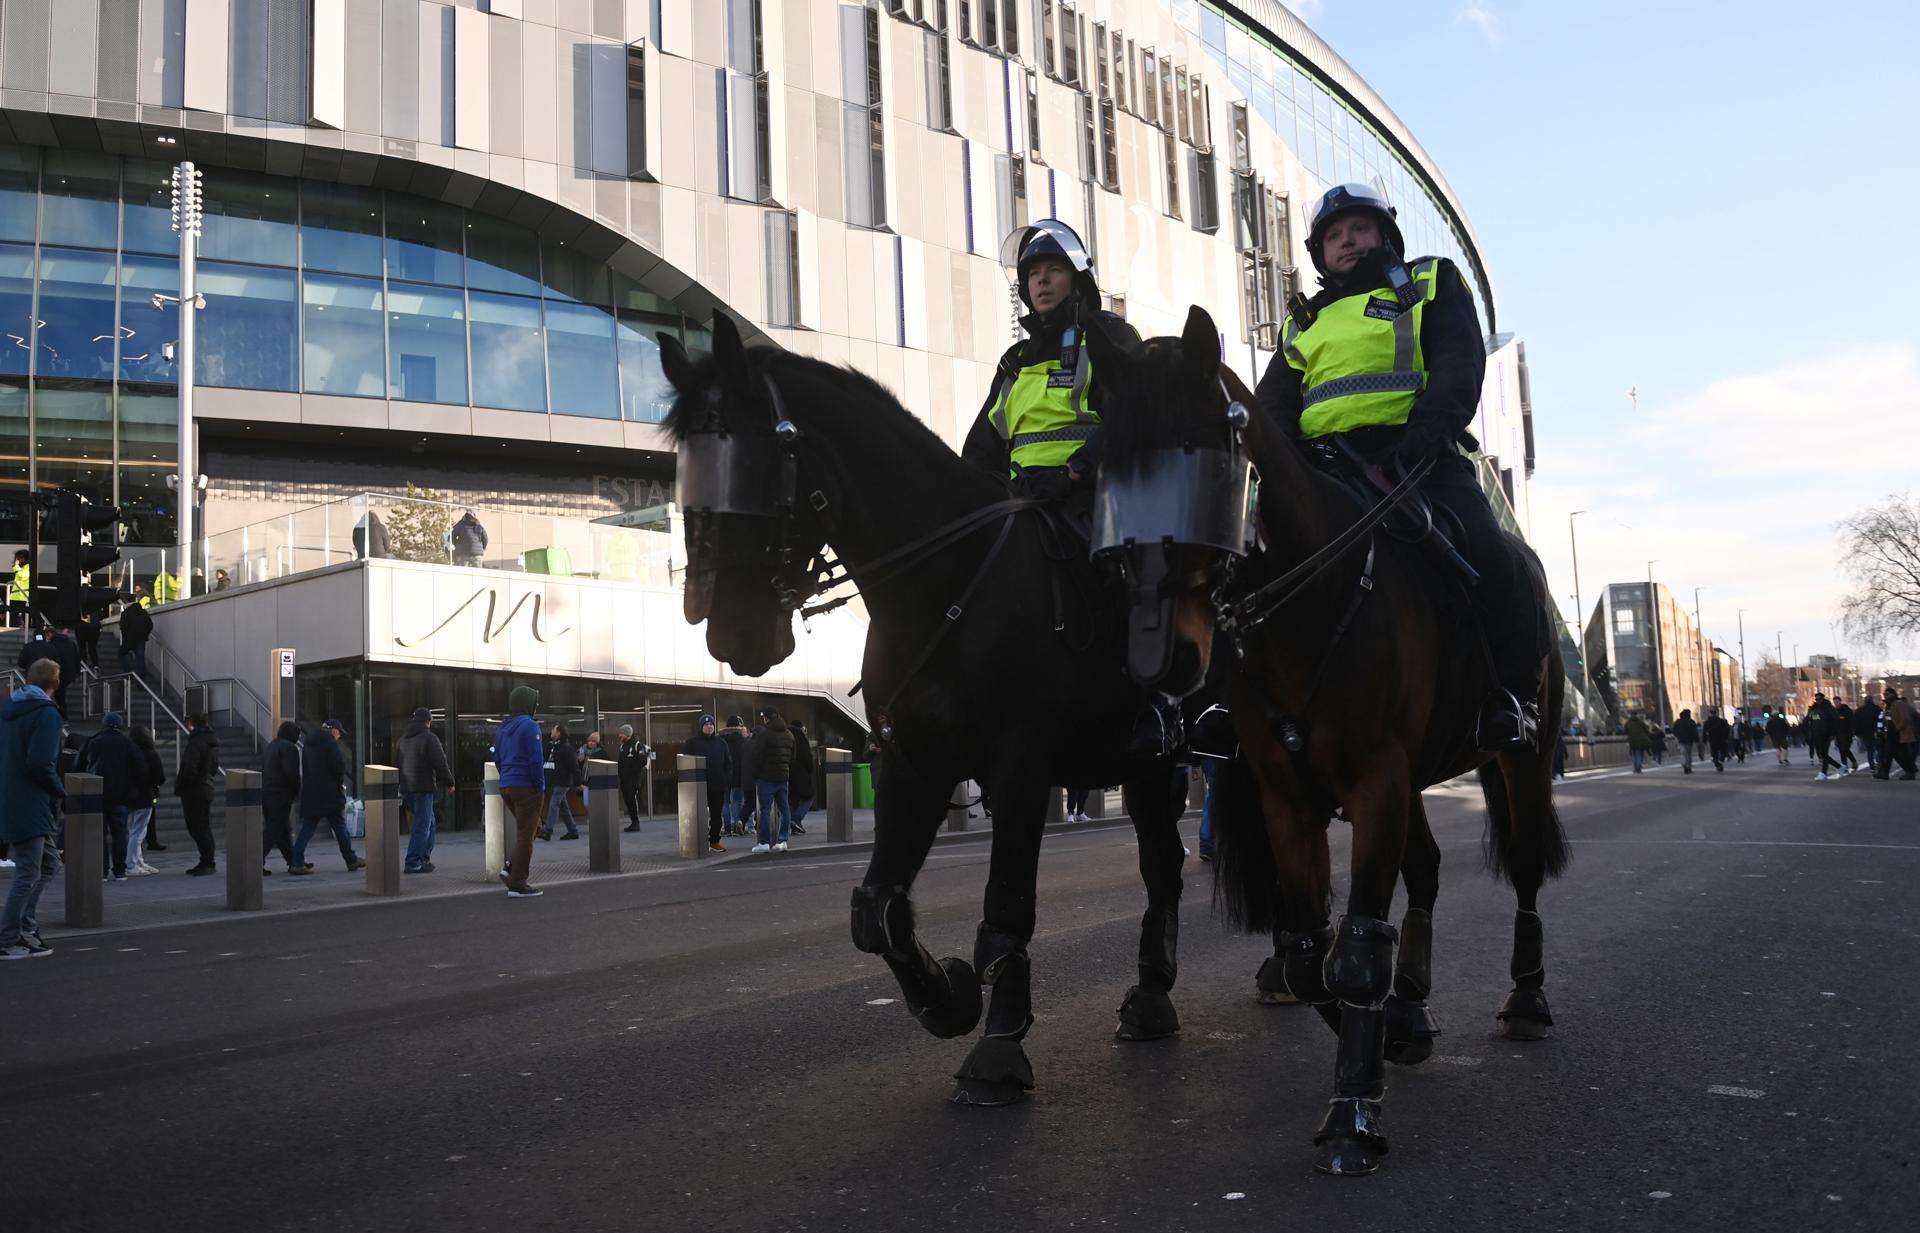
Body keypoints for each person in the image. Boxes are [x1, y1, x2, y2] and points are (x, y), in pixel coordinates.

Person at [1254, 183, 1543, 751]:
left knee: (1491, 552)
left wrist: (1426, 436)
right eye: (1334, 236)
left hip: (1414, 460)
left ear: (1385, 232)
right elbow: (1273, 407)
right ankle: (1224, 712)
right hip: (1322, 470)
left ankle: (1514, 698)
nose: (1347, 241)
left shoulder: (1430, 281)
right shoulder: (1301, 323)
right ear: (1319, 254)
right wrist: (1282, 466)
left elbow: (1459, 361)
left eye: (1359, 228)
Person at [0, 658, 64, 959]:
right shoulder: (47, 715)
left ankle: (25, 926)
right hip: (32, 800)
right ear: (55, 682)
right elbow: (41, 762)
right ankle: (9, 937)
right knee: (28, 870)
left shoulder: (8, 711)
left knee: (48, 864)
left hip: (12, 795)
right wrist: (59, 790)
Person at [291, 719, 364, 874]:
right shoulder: (330, 744)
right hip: (330, 793)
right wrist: (339, 786)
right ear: (334, 731)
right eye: (339, 733)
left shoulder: (309, 743)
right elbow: (339, 767)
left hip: (312, 792)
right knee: (340, 827)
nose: (339, 737)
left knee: (308, 828)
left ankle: (296, 862)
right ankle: (351, 859)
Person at [495, 686, 546, 896]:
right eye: (535, 702)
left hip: (506, 785)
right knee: (526, 834)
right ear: (528, 704)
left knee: (533, 828)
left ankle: (509, 868)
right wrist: (539, 786)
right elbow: (536, 760)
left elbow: (497, 759)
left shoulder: (502, 728)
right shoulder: (530, 726)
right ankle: (518, 883)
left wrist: (506, 778)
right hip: (526, 786)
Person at [81, 712, 139, 881]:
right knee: (120, 834)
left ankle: (102, 871)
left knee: (99, 834)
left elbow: (80, 765)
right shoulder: (128, 743)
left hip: (96, 794)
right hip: (120, 796)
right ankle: (120, 871)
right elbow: (139, 768)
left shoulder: (94, 741)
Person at [398, 707, 455, 875]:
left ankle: (423, 858)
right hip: (422, 788)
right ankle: (413, 861)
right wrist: (450, 782)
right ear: (428, 721)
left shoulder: (402, 740)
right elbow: (440, 763)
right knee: (423, 826)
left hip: (407, 788)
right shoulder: (429, 738)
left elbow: (397, 764)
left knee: (428, 822)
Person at [174, 713, 224, 875]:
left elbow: (190, 767)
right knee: (203, 826)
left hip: (195, 790)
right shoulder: (211, 742)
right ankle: (207, 861)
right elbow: (214, 767)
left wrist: (185, 784)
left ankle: (207, 862)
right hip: (205, 787)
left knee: (197, 827)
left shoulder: (196, 742)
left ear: (192, 723)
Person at [682, 713, 732, 854]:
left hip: (717, 785)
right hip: (698, 786)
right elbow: (685, 761)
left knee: (716, 814)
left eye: (711, 724)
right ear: (701, 727)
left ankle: (714, 841)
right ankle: (695, 841)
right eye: (706, 724)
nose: (709, 727)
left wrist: (726, 779)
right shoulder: (692, 743)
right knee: (697, 814)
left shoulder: (721, 743)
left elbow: (728, 763)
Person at [748, 708, 795, 854]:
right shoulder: (789, 734)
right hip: (783, 777)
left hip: (766, 778)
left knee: (765, 810)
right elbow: (793, 758)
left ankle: (764, 842)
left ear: (767, 719)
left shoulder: (765, 734)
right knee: (784, 809)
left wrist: (756, 775)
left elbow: (757, 756)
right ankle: (782, 840)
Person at [125, 724, 167, 875]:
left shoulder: (128, 752)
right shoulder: (151, 753)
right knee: (138, 831)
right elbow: (160, 777)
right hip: (145, 795)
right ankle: (131, 864)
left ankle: (137, 861)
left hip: (129, 796)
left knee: (132, 830)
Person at [261, 721, 302, 873]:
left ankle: (293, 860)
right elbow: (292, 773)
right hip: (280, 794)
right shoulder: (290, 748)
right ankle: (256, 860)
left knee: (282, 830)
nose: (298, 738)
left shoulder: (271, 746)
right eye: (297, 734)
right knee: (273, 830)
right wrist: (296, 790)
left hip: (267, 792)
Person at [539, 723, 582, 841]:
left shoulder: (566, 748)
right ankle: (573, 831)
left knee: (554, 804)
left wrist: (578, 783)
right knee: (563, 807)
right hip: (554, 780)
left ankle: (548, 830)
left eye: (553, 730)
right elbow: (548, 763)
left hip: (562, 782)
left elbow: (574, 766)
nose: (551, 732)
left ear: (558, 733)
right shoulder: (552, 746)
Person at [720, 715, 752, 837]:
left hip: (724, 775)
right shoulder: (744, 740)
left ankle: (727, 827)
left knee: (725, 802)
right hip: (739, 775)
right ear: (739, 726)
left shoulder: (720, 739)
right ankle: (737, 826)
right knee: (737, 801)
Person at [1876, 688, 1917, 780]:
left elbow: (1905, 718)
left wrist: (1897, 729)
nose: (1886, 696)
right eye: (1884, 694)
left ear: (1893, 694)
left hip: (1899, 733)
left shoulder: (1898, 704)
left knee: (1899, 753)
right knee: (1890, 753)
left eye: (1887, 694)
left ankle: (1910, 771)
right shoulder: (1889, 705)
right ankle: (1885, 772)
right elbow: (1887, 719)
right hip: (1891, 732)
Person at [616, 724, 651, 832]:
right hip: (624, 779)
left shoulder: (637, 745)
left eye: (621, 734)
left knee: (632, 799)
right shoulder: (622, 746)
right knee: (627, 800)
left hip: (633, 779)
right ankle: (633, 822)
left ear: (627, 734)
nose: (619, 736)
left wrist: (632, 771)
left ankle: (636, 823)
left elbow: (643, 761)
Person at [1805, 695, 1844, 781]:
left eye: (1819, 699)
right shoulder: (1814, 709)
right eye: (1816, 699)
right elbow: (1809, 721)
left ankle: (1824, 772)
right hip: (1816, 734)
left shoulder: (1828, 709)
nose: (1818, 701)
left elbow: (1835, 721)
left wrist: (1832, 733)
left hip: (1825, 734)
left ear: (1823, 699)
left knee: (1823, 754)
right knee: (1823, 754)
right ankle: (1839, 767)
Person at [787, 720, 815, 835]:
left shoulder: (786, 735)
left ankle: (795, 824)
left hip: (787, 772)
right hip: (801, 773)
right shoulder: (801, 738)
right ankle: (796, 819)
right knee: (809, 796)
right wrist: (810, 768)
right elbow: (807, 758)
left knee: (793, 799)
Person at [118, 596, 154, 675]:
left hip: (129, 639)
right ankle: (141, 681)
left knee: (121, 654)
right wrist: (145, 634)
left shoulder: (126, 613)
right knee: (140, 658)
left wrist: (125, 638)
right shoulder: (143, 612)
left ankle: (128, 671)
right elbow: (150, 625)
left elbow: (123, 627)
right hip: (141, 639)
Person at [1854, 695, 1882, 774]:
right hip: (1876, 732)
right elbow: (1881, 719)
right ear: (1872, 700)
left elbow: (1856, 722)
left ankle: (1872, 767)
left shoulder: (1860, 710)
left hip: (1865, 733)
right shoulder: (1877, 709)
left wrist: (1857, 733)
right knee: (1878, 748)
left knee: (1870, 750)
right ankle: (1878, 763)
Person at [1671, 708, 1700, 775]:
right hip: (1689, 740)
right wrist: (1697, 740)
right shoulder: (1691, 721)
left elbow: (1674, 730)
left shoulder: (1677, 722)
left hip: (1681, 740)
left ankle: (1684, 764)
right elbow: (1695, 732)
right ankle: (1688, 767)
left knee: (1683, 753)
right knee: (1688, 754)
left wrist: (1677, 736)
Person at [1703, 709, 1731, 773]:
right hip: (1721, 739)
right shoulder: (1721, 721)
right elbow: (1727, 730)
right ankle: (1721, 760)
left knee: (1714, 753)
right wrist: (1726, 738)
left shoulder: (1707, 722)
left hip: (1713, 740)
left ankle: (1718, 764)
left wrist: (1704, 740)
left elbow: (1705, 732)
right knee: (1722, 751)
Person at [6, 549, 28, 625]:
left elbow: (22, 576)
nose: (17, 560)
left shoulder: (29, 567)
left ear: (24, 558)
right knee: (13, 616)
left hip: (23, 596)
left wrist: (16, 566)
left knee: (25, 615)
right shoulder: (21, 567)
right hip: (15, 596)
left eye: (18, 558)